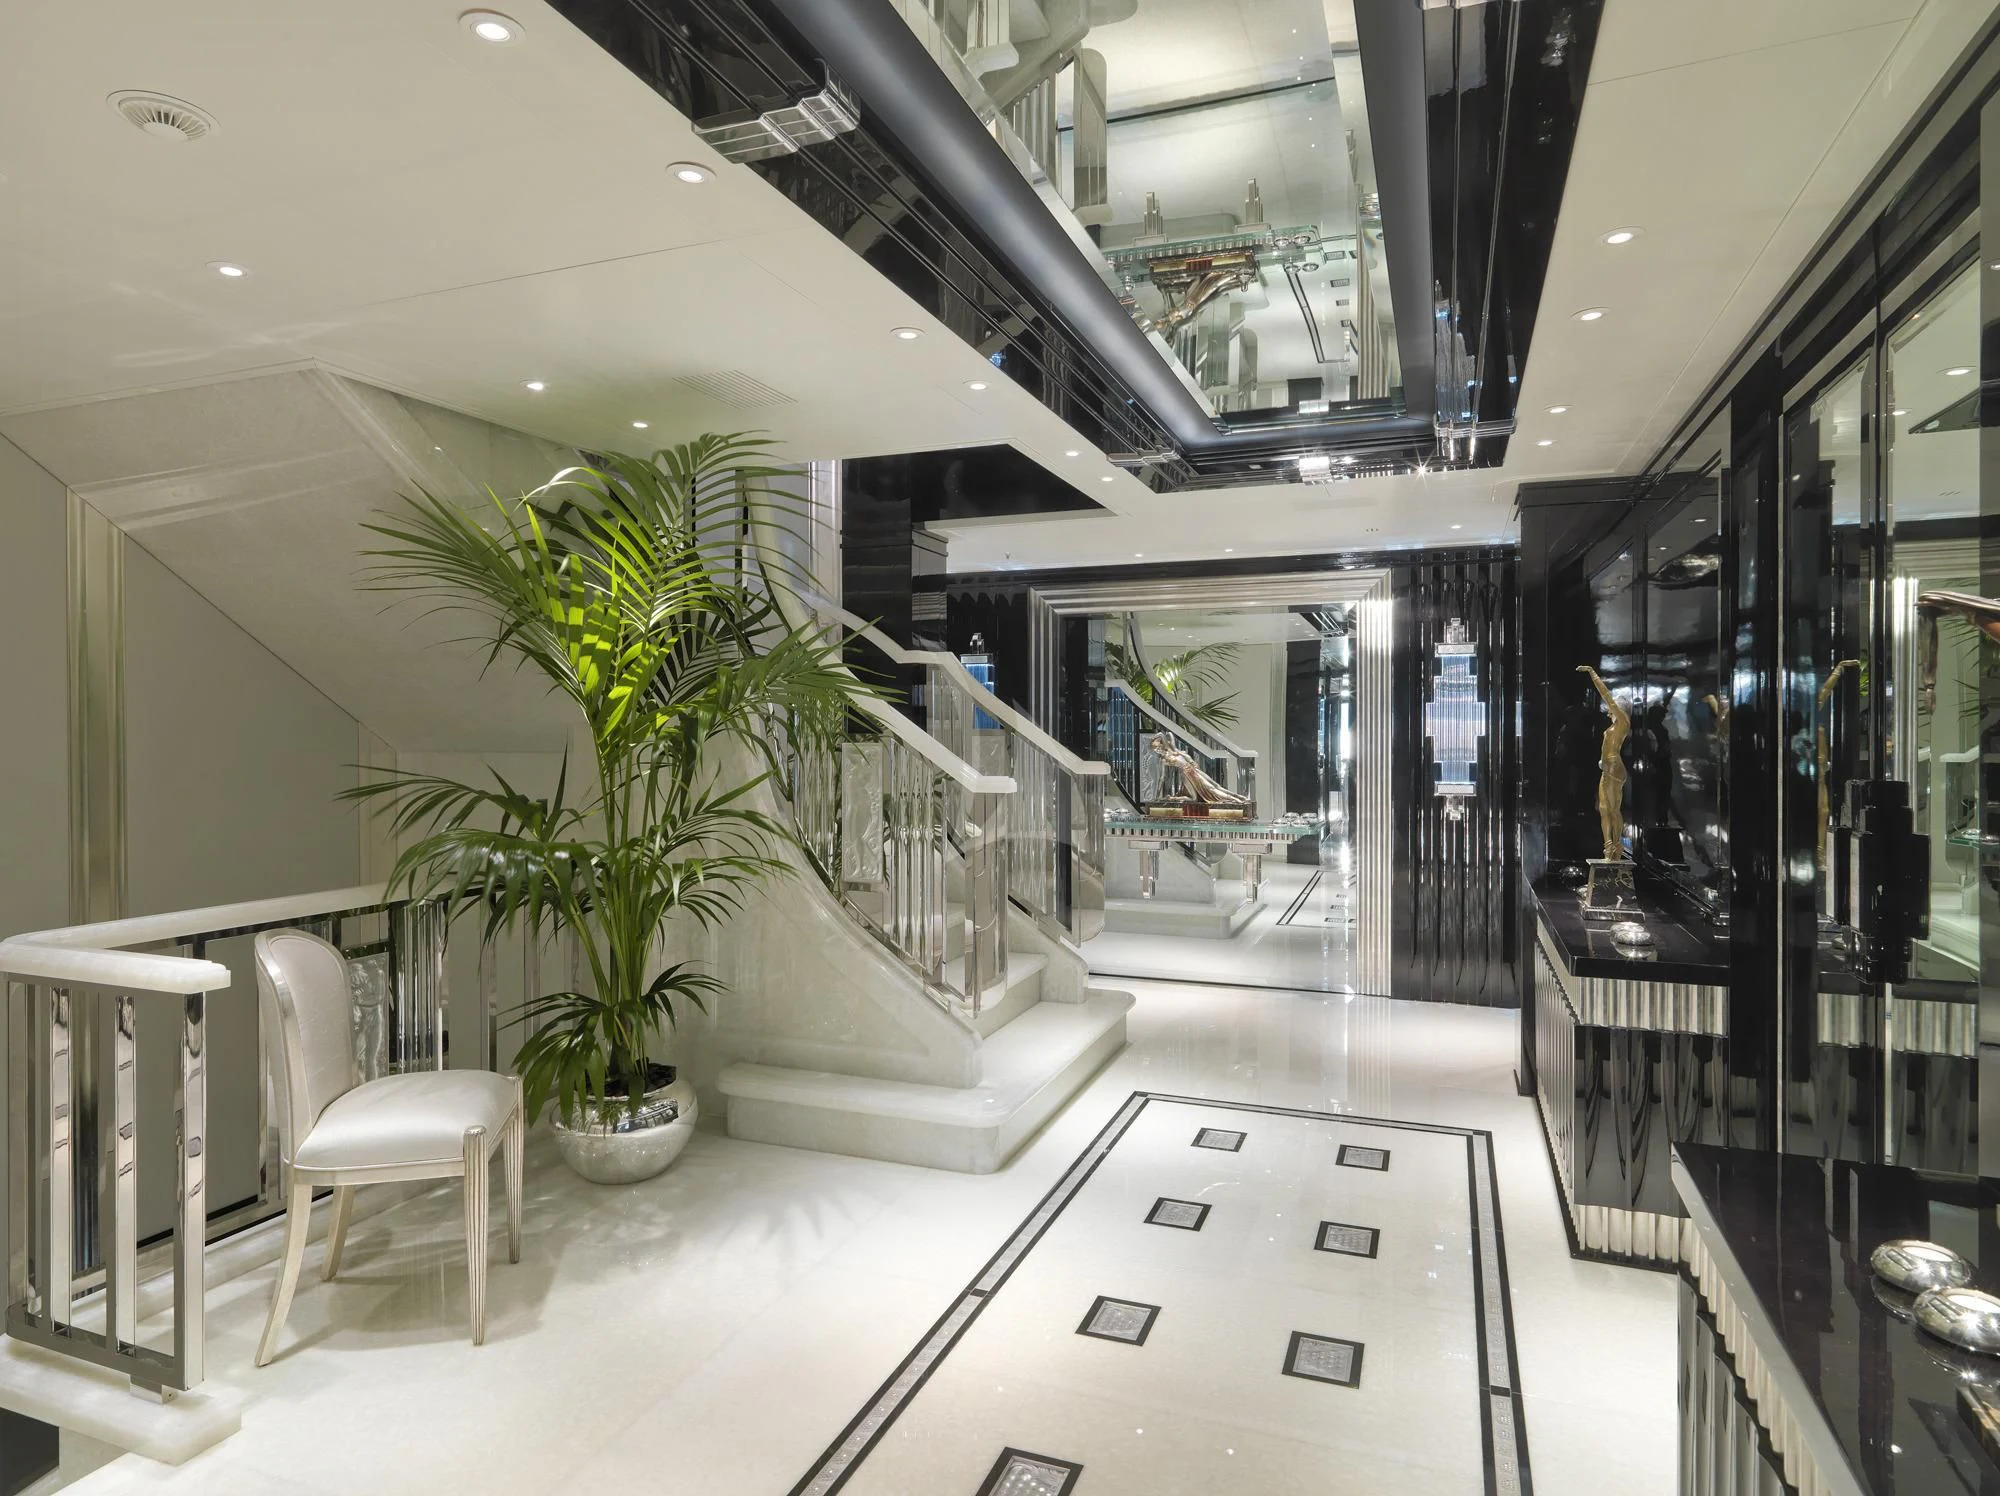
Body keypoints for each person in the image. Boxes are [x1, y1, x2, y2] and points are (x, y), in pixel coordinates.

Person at [1576, 666, 1629, 862]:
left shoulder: (1623, 722)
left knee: (1612, 809)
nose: (1608, 712)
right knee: (1605, 809)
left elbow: (1606, 696)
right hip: (1608, 767)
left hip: (1614, 767)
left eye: (1611, 709)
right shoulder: (1616, 725)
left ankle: (1616, 847)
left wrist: (1592, 674)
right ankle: (1609, 848)